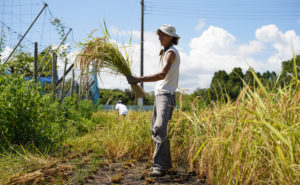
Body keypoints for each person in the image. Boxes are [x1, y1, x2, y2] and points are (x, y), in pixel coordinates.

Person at [127, 24, 180, 177]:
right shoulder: (165, 52)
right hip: (160, 94)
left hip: (166, 95)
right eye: (159, 35)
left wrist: (138, 79)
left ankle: (159, 166)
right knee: (155, 129)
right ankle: (165, 165)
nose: (159, 38)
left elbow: (163, 74)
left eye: (163, 35)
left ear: (171, 37)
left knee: (159, 128)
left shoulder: (171, 52)